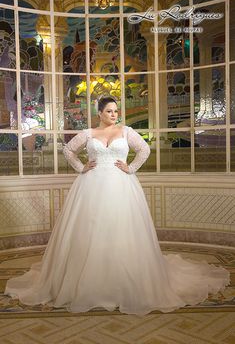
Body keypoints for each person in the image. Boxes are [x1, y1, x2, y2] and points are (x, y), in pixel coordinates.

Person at [4, 96, 230, 316]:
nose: (114, 114)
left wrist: (131, 168)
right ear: (99, 113)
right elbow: (68, 150)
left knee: (121, 229)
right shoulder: (89, 133)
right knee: (90, 231)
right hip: (91, 185)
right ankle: (89, 284)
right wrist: (81, 166)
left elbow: (145, 149)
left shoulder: (126, 131)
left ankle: (123, 284)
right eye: (109, 111)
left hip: (121, 185)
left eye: (116, 111)